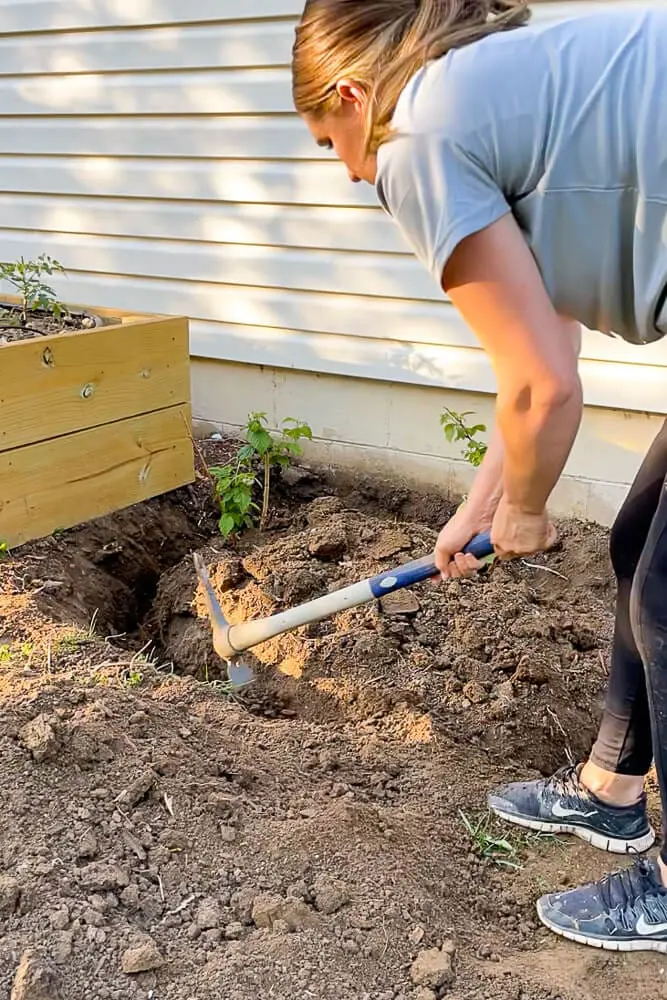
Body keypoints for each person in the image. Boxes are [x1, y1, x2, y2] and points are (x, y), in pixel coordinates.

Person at [292, 0, 667, 953]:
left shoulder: (415, 130)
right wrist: (483, 503)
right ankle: (612, 787)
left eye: (330, 139)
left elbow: (543, 388)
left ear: (351, 94)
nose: (345, 168)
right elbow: (545, 347)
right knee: (640, 545)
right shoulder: (490, 92)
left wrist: (532, 513)